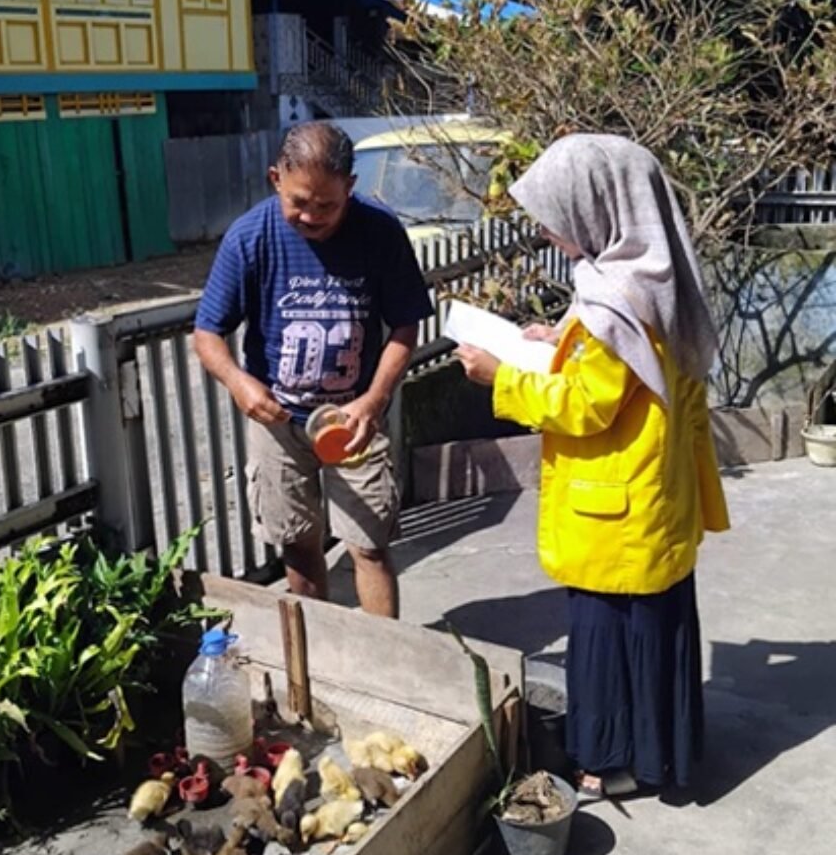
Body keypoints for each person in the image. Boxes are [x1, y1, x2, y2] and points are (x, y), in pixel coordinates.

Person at [455, 133, 730, 796]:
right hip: (652, 501)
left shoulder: (619, 300)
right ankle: (661, 753)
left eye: (555, 214)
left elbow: (584, 405)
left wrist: (500, 378)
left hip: (616, 508)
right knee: (655, 632)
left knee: (609, 639)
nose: (549, 231)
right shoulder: (649, 277)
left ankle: (609, 763)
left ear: (598, 206)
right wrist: (560, 339)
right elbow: (616, 370)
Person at [193, 122, 434, 618]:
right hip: (278, 424)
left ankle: (381, 656)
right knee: (298, 544)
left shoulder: (380, 233)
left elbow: (406, 326)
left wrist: (374, 399)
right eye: (300, 201)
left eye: (327, 204)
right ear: (275, 178)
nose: (312, 215)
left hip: (354, 422)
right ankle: (318, 656)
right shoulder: (249, 238)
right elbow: (207, 333)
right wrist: (239, 383)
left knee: (368, 544)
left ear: (350, 186)